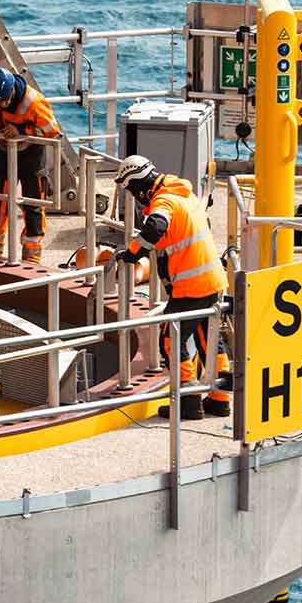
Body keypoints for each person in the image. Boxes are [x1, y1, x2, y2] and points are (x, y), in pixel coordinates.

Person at [112, 155, 230, 420]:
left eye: (132, 189)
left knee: (171, 338)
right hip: (212, 279)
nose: (134, 196)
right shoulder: (184, 194)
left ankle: (187, 402)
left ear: (140, 185)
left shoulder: (163, 200)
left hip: (191, 286)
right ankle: (220, 399)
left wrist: (131, 253)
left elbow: (156, 226)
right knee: (208, 337)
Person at [0, 66, 63, 263]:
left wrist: (21, 130)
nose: (1, 105)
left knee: (33, 201)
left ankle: (32, 251)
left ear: (12, 91)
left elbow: (52, 133)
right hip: (4, 149)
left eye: (5, 101)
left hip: (31, 153)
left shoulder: (34, 102)